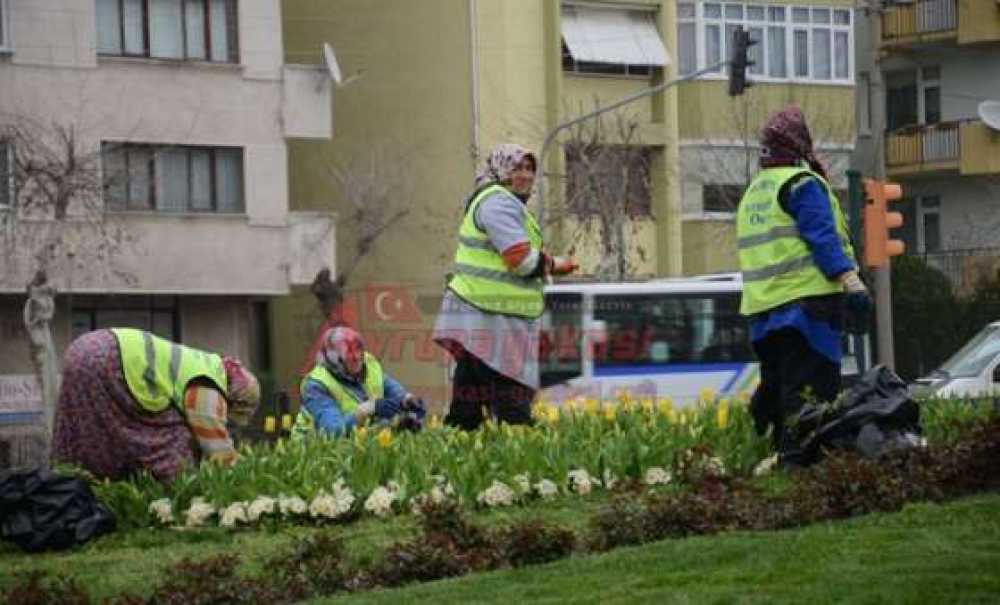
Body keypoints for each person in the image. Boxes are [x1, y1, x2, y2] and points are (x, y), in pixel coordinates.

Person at [737, 105, 871, 467]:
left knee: (783, 387)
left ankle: (784, 453)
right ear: (800, 145)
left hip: (763, 313)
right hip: (805, 309)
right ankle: (805, 462)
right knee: (813, 390)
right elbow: (822, 238)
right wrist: (852, 283)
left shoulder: (754, 192)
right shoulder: (801, 184)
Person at [434, 143, 578, 430]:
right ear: (500, 170)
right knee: (513, 408)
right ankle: (526, 466)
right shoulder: (499, 202)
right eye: (517, 168)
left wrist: (548, 264)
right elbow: (521, 261)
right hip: (486, 317)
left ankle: (449, 467)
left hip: (481, 317)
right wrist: (553, 264)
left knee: (467, 412)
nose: (525, 175)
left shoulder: (503, 202)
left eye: (529, 169)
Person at [53, 328, 261, 482]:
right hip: (109, 360)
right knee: (176, 436)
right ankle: (175, 496)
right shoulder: (208, 384)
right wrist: (250, 478)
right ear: (233, 398)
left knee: (87, 435)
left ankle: (67, 487)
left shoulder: (204, 363)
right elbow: (217, 449)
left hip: (83, 348)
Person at [292, 326, 424, 438]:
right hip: (314, 452)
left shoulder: (368, 362)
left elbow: (388, 385)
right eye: (348, 353)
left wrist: (407, 399)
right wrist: (368, 409)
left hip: (357, 443)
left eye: (358, 349)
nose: (356, 357)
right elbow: (334, 432)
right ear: (333, 358)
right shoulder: (316, 385)